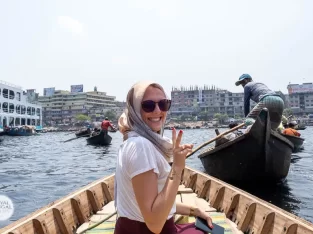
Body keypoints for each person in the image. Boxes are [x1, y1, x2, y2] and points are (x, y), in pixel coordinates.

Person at [114, 81, 213, 234]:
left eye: (163, 104)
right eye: (148, 105)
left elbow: (151, 201)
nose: (157, 110)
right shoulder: (141, 146)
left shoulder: (132, 141)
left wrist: (194, 211)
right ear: (134, 110)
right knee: (213, 232)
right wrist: (177, 168)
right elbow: (155, 224)